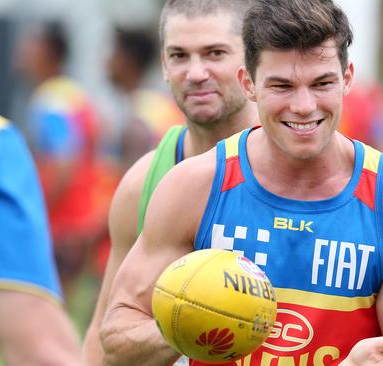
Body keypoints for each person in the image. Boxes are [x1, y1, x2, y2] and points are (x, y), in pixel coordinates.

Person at [99, 0, 383, 365]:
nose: (304, 106)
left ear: (347, 78)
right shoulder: (196, 185)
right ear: (249, 84)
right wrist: (188, 323)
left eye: (322, 83)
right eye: (282, 86)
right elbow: (117, 339)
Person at [82, 0, 258, 364]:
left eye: (215, 53)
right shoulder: (144, 182)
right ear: (163, 64)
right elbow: (105, 336)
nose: (196, 72)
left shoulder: (299, 170)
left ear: (252, 61)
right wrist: (189, 324)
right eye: (179, 56)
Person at [14, 20, 114, 295]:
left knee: (51, 301)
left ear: (48, 51)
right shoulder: (75, 93)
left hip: (65, 219)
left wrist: (39, 212)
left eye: (30, 44)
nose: (22, 51)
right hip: (86, 211)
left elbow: (63, 164)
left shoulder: (51, 101)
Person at [0, 106, 82, 365]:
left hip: (70, 223)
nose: (23, 62)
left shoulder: (49, 101)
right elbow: (39, 354)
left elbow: (64, 161)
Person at [105, 26, 185, 173]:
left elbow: (133, 176)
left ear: (128, 61)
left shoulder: (138, 115)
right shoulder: (158, 102)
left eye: (114, 52)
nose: (107, 60)